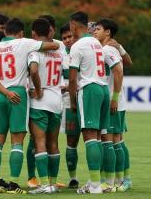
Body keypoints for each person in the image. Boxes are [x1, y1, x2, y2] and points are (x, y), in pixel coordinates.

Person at [0, 18, 60, 194]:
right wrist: (37, 44)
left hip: (0, 93)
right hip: (18, 94)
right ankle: (13, 184)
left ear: (5, 32)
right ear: (21, 33)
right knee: (17, 142)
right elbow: (53, 47)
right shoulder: (25, 43)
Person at [69, 11, 109, 194]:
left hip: (89, 90)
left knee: (89, 136)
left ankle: (94, 186)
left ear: (73, 25)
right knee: (99, 137)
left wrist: (72, 102)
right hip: (103, 89)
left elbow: (72, 79)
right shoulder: (97, 43)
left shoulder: (78, 46)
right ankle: (96, 182)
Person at [94, 18, 132, 192]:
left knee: (111, 141)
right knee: (117, 141)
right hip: (114, 100)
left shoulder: (108, 49)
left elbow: (119, 71)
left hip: (112, 101)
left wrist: (114, 97)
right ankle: (123, 179)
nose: (95, 31)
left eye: (98, 28)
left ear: (107, 32)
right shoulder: (110, 47)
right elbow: (129, 62)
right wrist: (120, 47)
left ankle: (115, 182)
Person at [27, 18, 63, 194]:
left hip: (40, 102)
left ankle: (43, 185)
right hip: (57, 101)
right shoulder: (58, 51)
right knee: (53, 143)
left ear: (34, 33)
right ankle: (54, 183)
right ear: (49, 31)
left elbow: (33, 70)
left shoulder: (34, 50)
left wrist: (39, 89)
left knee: (39, 143)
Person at [59, 23, 80, 189]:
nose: (67, 40)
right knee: (71, 141)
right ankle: (73, 178)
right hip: (68, 103)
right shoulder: (60, 57)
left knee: (94, 139)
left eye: (69, 36)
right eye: (64, 38)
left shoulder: (83, 51)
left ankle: (103, 178)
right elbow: (58, 81)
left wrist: (74, 85)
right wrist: (67, 87)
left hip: (86, 101)